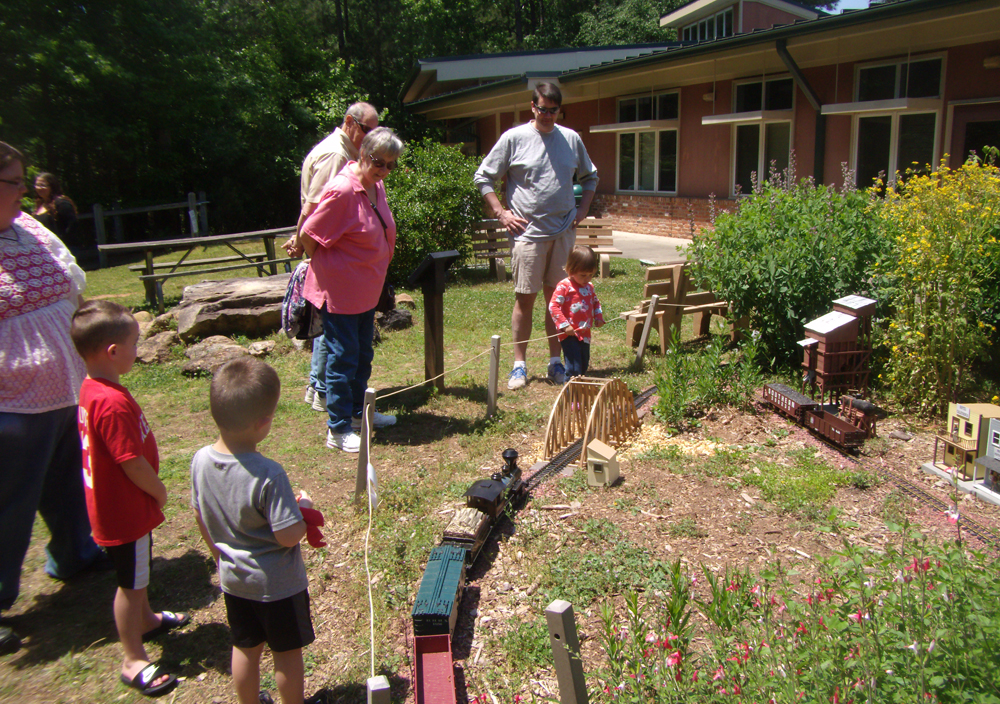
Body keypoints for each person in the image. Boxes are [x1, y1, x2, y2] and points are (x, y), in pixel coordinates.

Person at [0, 142, 106, 656]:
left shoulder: (28, 228)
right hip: (11, 400)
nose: (24, 190)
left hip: (63, 388)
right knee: (8, 501)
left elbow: (71, 284)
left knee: (68, 481)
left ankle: (75, 554)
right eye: (14, 182)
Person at [71, 300, 187, 697]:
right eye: (135, 342)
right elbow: (130, 463)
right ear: (113, 352)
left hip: (117, 508)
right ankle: (133, 656)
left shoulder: (92, 389)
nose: (139, 349)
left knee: (137, 576)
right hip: (126, 511)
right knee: (130, 585)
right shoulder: (110, 401)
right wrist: (159, 490)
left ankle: (148, 619)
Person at [191, 358, 316, 704]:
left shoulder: (200, 461)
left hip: (233, 578)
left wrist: (218, 554)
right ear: (264, 423)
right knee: (286, 653)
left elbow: (200, 513)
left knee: (245, 646)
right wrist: (302, 511)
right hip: (276, 585)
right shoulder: (269, 474)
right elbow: (287, 535)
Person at [473, 82, 599, 390]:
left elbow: (590, 176)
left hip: (563, 233)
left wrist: (582, 210)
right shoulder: (514, 138)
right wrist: (501, 213)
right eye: (542, 109)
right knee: (525, 299)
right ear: (533, 106)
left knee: (558, 299)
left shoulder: (570, 138)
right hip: (527, 234)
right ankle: (519, 365)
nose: (547, 115)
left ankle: (556, 362)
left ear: (559, 110)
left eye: (553, 110)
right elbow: (484, 176)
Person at [301, 127, 404, 453]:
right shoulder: (343, 190)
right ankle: (338, 428)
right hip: (341, 292)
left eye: (391, 164)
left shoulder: (376, 186)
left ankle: (360, 415)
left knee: (362, 354)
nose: (384, 169)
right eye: (378, 162)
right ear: (363, 154)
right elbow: (309, 235)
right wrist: (331, 270)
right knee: (342, 358)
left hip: (365, 291)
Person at [283, 103, 379, 416]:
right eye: (368, 130)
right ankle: (324, 392)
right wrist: (308, 248)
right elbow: (315, 209)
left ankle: (320, 388)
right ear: (351, 122)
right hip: (332, 258)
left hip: (336, 256)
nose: (370, 137)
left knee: (337, 334)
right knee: (339, 337)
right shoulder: (337, 155)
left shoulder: (342, 150)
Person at [548, 246, 605, 380]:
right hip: (569, 334)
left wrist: (599, 317)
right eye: (583, 275)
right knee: (574, 366)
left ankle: (579, 389)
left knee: (583, 363)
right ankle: (570, 395)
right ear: (571, 270)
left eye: (591, 275)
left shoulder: (589, 287)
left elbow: (595, 302)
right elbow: (553, 306)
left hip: (585, 333)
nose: (587, 278)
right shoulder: (564, 286)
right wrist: (564, 325)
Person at [33, 172, 79, 250]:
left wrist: (61, 246)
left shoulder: (61, 203)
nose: (39, 188)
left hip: (62, 249)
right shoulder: (39, 204)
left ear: (52, 187)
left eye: (43, 185)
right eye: (37, 185)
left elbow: (72, 227)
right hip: (44, 249)